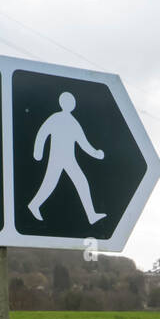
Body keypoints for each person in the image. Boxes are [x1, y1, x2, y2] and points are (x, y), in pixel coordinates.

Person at [27, 91, 106, 224]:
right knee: (49, 184)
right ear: (62, 103)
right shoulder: (55, 118)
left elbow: (83, 142)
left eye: (72, 102)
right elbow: (42, 133)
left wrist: (96, 154)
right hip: (56, 159)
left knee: (81, 182)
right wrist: (37, 152)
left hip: (69, 160)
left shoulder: (73, 122)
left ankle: (91, 215)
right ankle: (34, 205)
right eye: (69, 102)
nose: (71, 104)